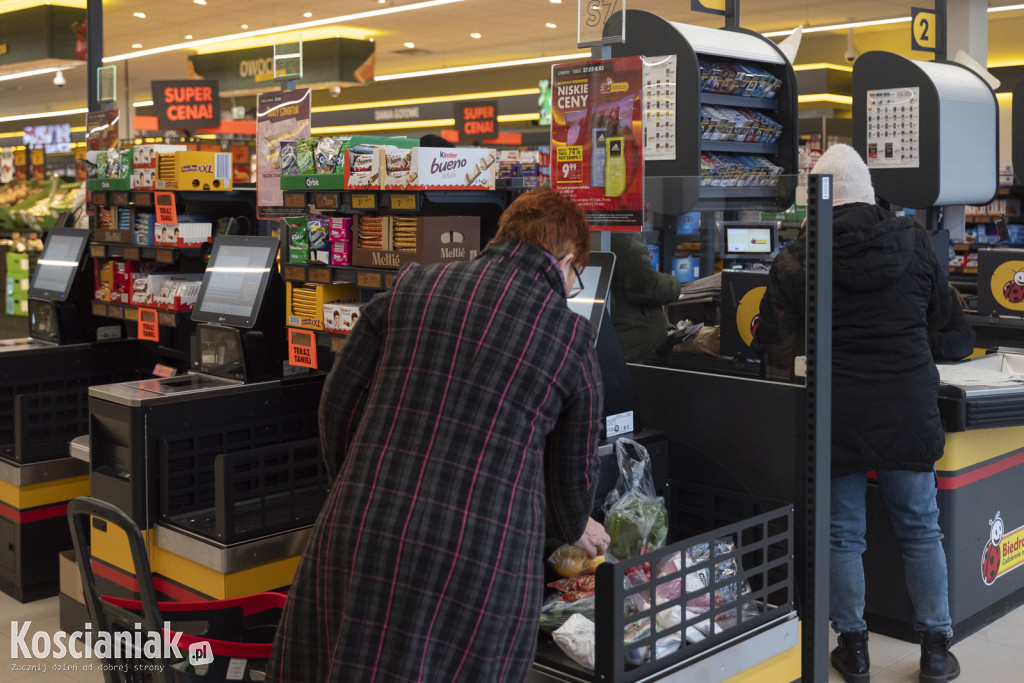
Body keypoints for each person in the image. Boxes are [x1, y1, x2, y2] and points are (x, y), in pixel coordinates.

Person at [267, 189, 610, 683]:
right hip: (481, 561)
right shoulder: (569, 338)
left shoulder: (413, 286)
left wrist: (360, 483)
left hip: (364, 529)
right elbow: (569, 487)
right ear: (566, 260)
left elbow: (337, 404)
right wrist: (577, 523)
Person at [754, 144, 960, 683]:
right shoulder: (915, 242)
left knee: (843, 533)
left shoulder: (797, 259)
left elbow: (773, 346)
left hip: (835, 410)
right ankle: (936, 647)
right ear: (870, 193)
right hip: (908, 405)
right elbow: (944, 318)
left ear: (815, 199)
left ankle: (854, 648)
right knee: (921, 527)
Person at [607, 231, 681, 362]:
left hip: (618, 339)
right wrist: (675, 285)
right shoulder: (621, 228)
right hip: (631, 344)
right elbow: (644, 284)